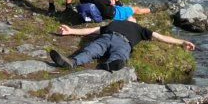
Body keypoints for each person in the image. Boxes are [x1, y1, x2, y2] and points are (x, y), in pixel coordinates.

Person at [49, 17, 194, 72]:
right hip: (107, 37)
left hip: (124, 42)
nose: (130, 18)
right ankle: (71, 62)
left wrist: (182, 42)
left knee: (120, 55)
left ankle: (110, 65)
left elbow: (161, 37)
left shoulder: (141, 29)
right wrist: (71, 31)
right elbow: (92, 30)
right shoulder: (115, 23)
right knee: (90, 50)